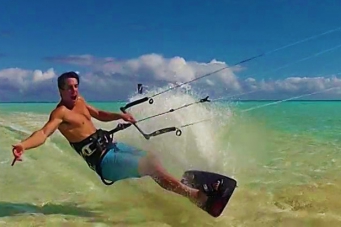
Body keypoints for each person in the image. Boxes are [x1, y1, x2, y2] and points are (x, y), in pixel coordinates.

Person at [11, 71, 215, 209]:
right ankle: (195, 196)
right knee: (151, 166)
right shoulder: (60, 114)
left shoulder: (80, 102)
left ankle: (185, 188)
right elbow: (43, 133)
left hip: (112, 147)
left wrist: (119, 116)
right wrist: (23, 145)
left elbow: (98, 113)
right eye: (69, 88)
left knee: (152, 158)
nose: (74, 91)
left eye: (76, 86)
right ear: (61, 91)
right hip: (103, 162)